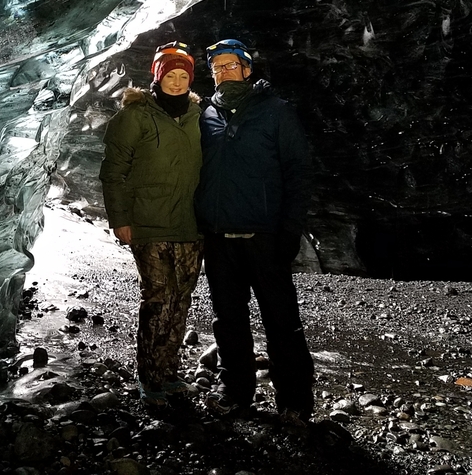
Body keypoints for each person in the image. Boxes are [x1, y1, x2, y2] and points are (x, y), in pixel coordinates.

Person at [193, 38, 315, 422]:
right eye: (217, 68)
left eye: (231, 65)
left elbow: (299, 172)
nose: (223, 72)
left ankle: (294, 402)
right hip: (218, 240)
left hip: (264, 237)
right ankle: (236, 393)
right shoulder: (205, 115)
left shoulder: (276, 111)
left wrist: (289, 230)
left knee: (281, 322)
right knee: (228, 322)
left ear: (247, 69)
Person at [98, 41, 204, 407]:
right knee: (157, 301)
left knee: (181, 302)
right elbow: (113, 173)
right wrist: (121, 220)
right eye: (170, 75)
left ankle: (170, 372)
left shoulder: (197, 115)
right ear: (157, 77)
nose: (176, 82)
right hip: (149, 225)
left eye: (183, 75)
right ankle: (149, 378)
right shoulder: (134, 116)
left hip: (190, 226)